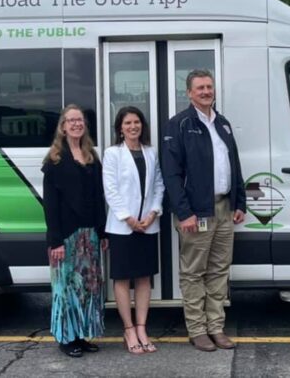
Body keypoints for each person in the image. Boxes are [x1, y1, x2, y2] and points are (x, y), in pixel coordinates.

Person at [161, 69, 246, 352]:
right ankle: (197, 330)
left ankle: (216, 328)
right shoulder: (179, 124)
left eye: (209, 87)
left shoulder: (222, 124)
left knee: (220, 270)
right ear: (189, 93)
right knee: (194, 272)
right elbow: (171, 174)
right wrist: (183, 212)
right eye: (200, 88)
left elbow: (234, 165)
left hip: (223, 207)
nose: (206, 91)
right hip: (196, 211)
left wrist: (240, 202)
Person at [42, 104, 107, 358]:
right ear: (63, 126)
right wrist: (55, 240)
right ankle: (65, 338)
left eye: (79, 120)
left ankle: (80, 334)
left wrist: (102, 233)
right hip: (66, 236)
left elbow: (98, 197)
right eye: (71, 121)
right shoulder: (54, 161)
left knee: (87, 287)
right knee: (65, 287)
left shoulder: (91, 157)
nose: (76, 124)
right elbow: (50, 205)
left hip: (89, 234)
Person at [102, 106, 165, 354]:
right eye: (127, 123)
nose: (133, 127)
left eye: (136, 122)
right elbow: (110, 188)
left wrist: (153, 212)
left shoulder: (151, 153)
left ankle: (141, 327)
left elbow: (159, 184)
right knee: (122, 277)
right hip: (122, 227)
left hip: (148, 225)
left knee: (143, 278)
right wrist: (128, 218)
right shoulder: (112, 153)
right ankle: (128, 329)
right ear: (120, 128)